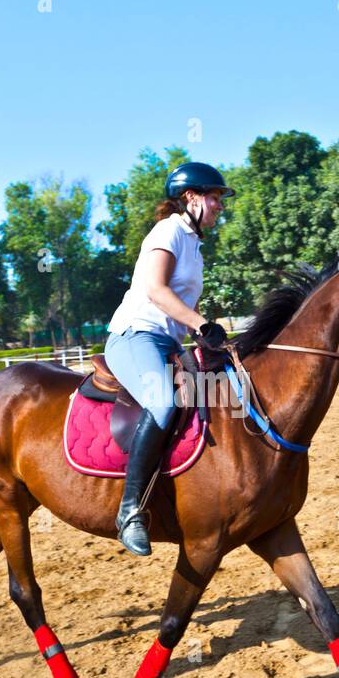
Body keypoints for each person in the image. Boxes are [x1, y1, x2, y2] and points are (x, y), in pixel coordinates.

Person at [104, 161, 233, 555]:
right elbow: (157, 291)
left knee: (221, 389)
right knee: (162, 401)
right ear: (190, 198)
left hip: (167, 342)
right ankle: (129, 511)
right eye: (214, 197)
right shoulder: (168, 231)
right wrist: (201, 324)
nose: (219, 206)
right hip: (135, 335)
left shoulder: (193, 244)